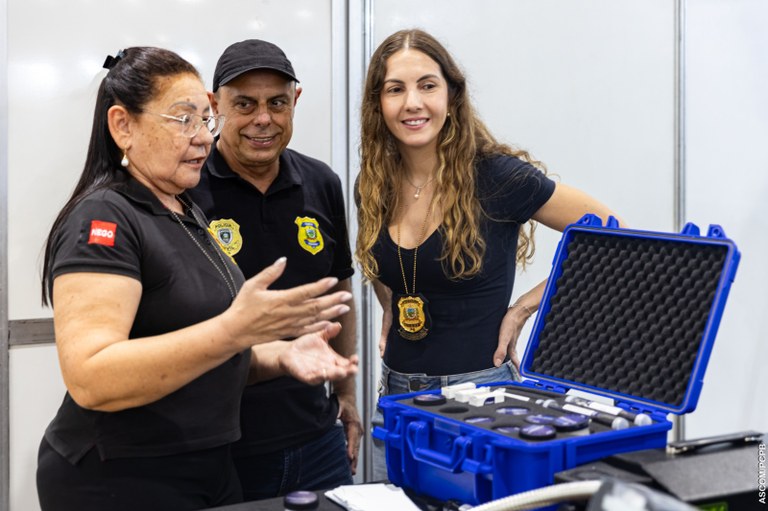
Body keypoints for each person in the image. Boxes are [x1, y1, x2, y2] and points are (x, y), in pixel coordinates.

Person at [36, 46, 358, 511]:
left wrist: (281, 353)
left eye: (206, 121)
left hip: (204, 467)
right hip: (121, 475)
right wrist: (236, 330)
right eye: (183, 119)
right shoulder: (105, 217)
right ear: (123, 126)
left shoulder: (182, 210)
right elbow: (92, 376)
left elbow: (207, 353)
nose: (204, 138)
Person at [355, 28, 624, 480]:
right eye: (395, 89)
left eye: (427, 85)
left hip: (479, 402)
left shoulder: (497, 176)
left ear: (451, 95)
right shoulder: (375, 180)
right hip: (395, 403)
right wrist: (391, 301)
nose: (412, 103)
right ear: (377, 104)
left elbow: (611, 232)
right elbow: (382, 259)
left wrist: (522, 309)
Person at [187, 39, 361, 500]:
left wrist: (346, 395)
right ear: (214, 105)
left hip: (317, 439)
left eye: (277, 103)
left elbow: (340, 292)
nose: (263, 119)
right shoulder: (184, 187)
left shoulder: (322, 182)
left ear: (295, 102)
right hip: (221, 448)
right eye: (244, 104)